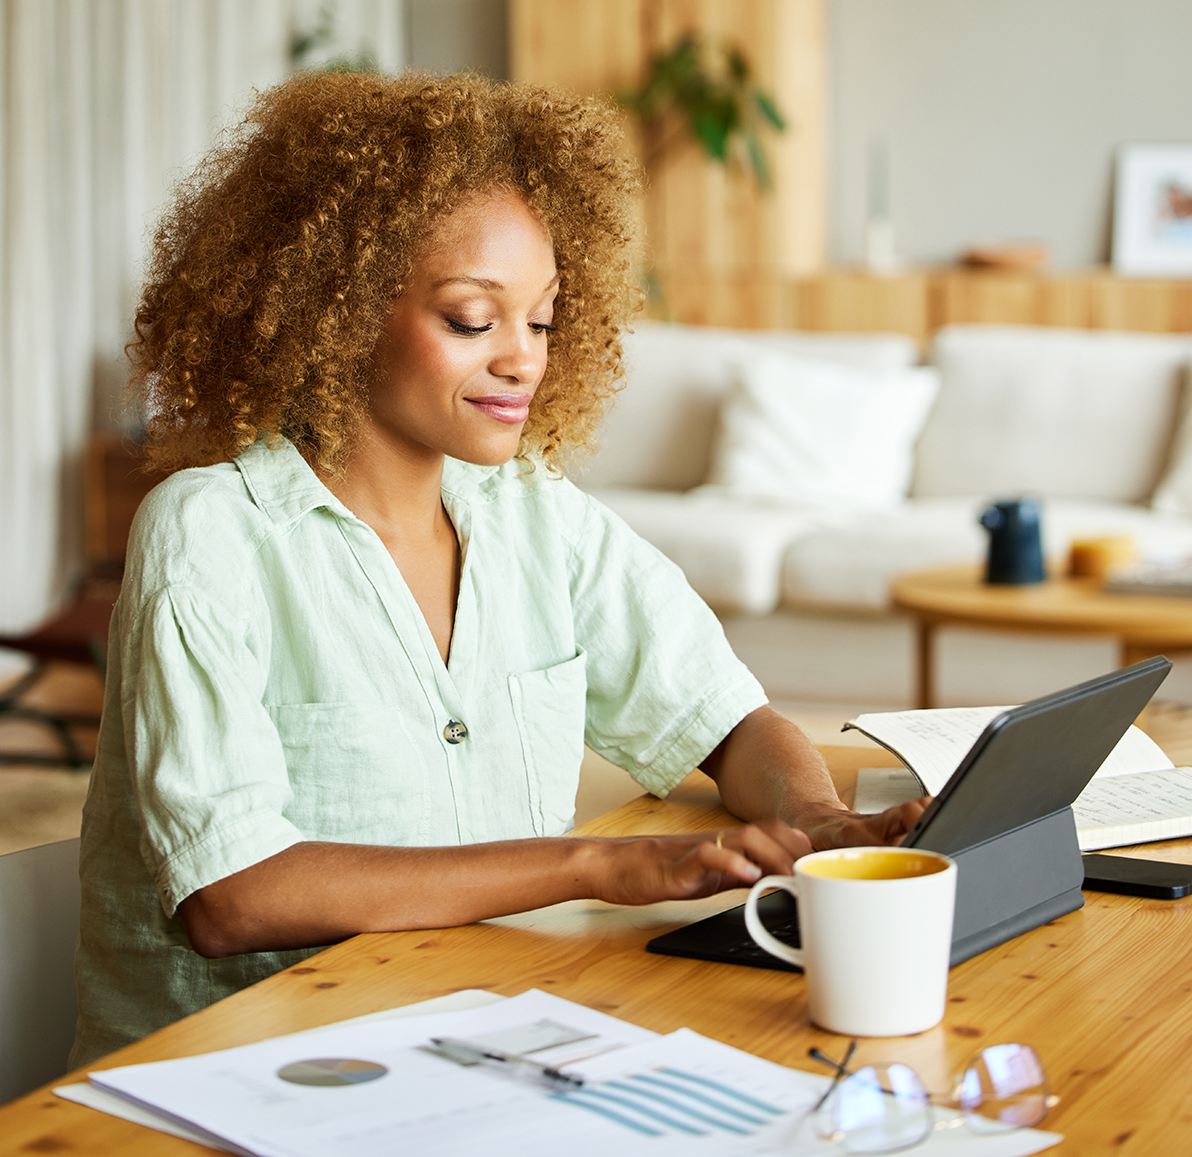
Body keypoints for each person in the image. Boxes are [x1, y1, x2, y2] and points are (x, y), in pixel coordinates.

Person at [71, 72, 925, 1066]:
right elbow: (234, 896)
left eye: (544, 318)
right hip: (247, 1080)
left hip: (481, 1045)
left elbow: (725, 716)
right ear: (334, 314)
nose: (524, 359)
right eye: (475, 319)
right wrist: (596, 864)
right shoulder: (211, 533)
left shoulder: (533, 516)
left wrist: (816, 819)